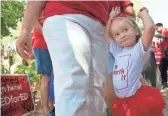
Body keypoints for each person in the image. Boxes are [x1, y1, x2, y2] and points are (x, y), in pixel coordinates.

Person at [16, 1, 134, 116]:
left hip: (100, 24)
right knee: (74, 80)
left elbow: (120, 9)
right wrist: (26, 29)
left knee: (97, 87)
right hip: (65, 15)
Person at [104, 7, 165, 116]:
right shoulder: (117, 51)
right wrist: (110, 18)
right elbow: (107, 37)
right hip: (122, 101)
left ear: (136, 31)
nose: (122, 35)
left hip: (135, 100)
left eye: (125, 30)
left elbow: (150, 28)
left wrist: (143, 13)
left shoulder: (138, 50)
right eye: (117, 34)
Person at [31, 15, 54, 115]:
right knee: (46, 78)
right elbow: (32, 19)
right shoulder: (35, 4)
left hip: (52, 45)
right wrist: (46, 31)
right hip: (41, 44)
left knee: (52, 78)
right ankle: (45, 108)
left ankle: (50, 105)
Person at [154, 23, 168, 90]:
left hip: (167, 52)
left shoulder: (165, 31)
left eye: (157, 28)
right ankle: (164, 84)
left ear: (160, 27)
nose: (156, 30)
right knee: (162, 69)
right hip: (163, 55)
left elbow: (163, 36)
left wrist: (152, 34)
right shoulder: (159, 38)